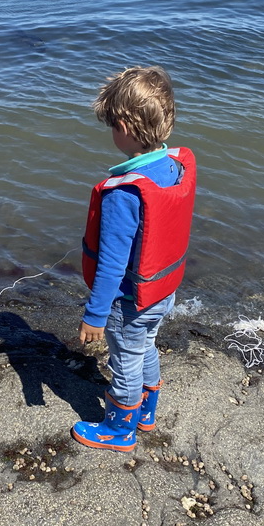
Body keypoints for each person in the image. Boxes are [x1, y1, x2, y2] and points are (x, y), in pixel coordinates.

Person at [72, 66, 196, 452]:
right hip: (162, 290)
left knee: (124, 360)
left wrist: (94, 314)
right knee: (146, 348)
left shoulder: (123, 195)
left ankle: (119, 430)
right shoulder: (173, 168)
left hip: (129, 301)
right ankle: (146, 413)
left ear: (123, 127)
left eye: (111, 124)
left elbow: (111, 263)